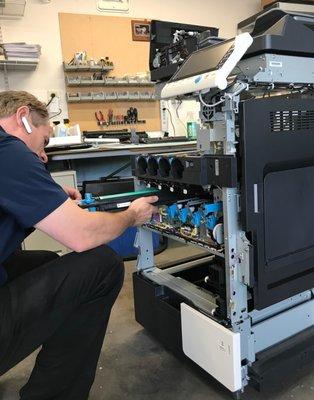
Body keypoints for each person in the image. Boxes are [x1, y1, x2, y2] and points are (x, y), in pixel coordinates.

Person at [0, 91, 158, 400]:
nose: (44, 156)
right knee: (102, 265)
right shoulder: (8, 149)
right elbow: (82, 236)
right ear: (22, 118)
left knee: (46, 261)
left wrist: (49, 199)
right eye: (44, 141)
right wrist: (131, 215)